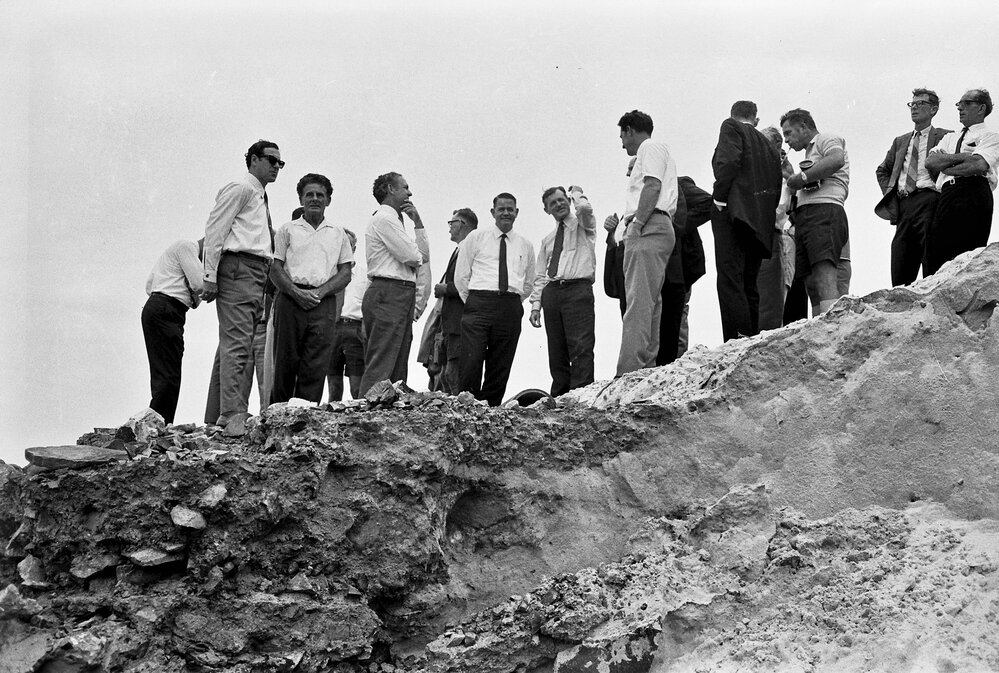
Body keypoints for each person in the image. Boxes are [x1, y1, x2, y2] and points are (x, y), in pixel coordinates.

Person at [201, 139, 283, 427]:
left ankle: (223, 413)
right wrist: (209, 276)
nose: (276, 167)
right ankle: (232, 413)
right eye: (271, 160)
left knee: (239, 341)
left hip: (255, 271)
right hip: (239, 266)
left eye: (279, 163)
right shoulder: (242, 188)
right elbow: (215, 229)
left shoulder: (258, 195)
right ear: (253, 160)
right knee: (237, 342)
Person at [269, 173, 353, 404]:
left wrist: (320, 292)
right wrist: (296, 293)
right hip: (290, 299)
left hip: (322, 302)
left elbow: (345, 272)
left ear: (328, 200)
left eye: (320, 195)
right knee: (285, 361)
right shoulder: (287, 230)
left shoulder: (338, 233)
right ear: (301, 199)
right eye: (309, 195)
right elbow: (275, 269)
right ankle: (278, 414)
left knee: (315, 365)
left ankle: (306, 419)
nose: (314, 199)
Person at [605, 110, 678, 375]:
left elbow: (652, 186)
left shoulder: (650, 146)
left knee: (638, 302)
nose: (622, 143)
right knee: (650, 303)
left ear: (629, 130)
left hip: (648, 226)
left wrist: (635, 226)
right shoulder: (651, 152)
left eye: (622, 136)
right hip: (656, 224)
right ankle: (646, 368)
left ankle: (627, 371)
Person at [454, 193, 535, 406]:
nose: (506, 213)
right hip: (479, 304)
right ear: (493, 212)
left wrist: (512, 301)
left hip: (509, 306)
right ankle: (467, 411)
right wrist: (474, 302)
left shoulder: (525, 245)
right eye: (501, 209)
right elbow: (461, 277)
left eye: (510, 209)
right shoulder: (476, 238)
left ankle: (491, 412)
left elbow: (528, 282)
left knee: (500, 365)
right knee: (471, 362)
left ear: (516, 213)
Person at [711, 101, 782, 341]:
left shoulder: (731, 127)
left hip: (733, 214)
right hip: (760, 221)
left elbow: (728, 162)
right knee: (750, 283)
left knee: (730, 279)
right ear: (756, 119)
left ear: (732, 114)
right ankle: (749, 336)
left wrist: (720, 199)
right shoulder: (770, 146)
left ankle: (735, 339)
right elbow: (777, 184)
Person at [358, 172, 429, 395]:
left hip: (400, 293)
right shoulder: (384, 218)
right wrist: (416, 253)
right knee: (383, 357)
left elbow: (422, 256)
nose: (410, 193)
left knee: (398, 359)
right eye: (405, 187)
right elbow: (413, 256)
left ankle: (390, 411)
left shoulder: (396, 221)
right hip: (389, 291)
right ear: (390, 189)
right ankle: (366, 412)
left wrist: (418, 223)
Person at [875, 88, 951, 286]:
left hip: (930, 198)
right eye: (912, 104)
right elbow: (882, 170)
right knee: (900, 262)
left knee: (931, 259)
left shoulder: (945, 136)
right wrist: (891, 193)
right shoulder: (901, 141)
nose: (914, 108)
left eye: (920, 104)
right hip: (904, 204)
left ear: (933, 110)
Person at [781, 109, 850, 315]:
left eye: (788, 133)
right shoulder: (810, 152)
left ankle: (833, 327)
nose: (787, 141)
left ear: (803, 127)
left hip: (824, 210)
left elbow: (836, 159)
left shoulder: (826, 138)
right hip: (807, 215)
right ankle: (820, 324)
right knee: (810, 279)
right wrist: (790, 177)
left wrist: (801, 178)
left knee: (823, 271)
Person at [529, 186, 596, 396]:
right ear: (547, 210)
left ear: (568, 200)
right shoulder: (547, 240)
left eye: (561, 200)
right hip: (552, 293)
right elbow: (541, 275)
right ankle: (559, 398)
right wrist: (535, 306)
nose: (558, 205)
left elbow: (584, 208)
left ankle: (581, 396)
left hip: (577, 289)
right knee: (556, 351)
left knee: (581, 347)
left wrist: (577, 193)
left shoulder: (583, 226)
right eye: (552, 203)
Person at [924, 89, 999, 276]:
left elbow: (979, 164)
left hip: (974, 192)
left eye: (966, 103)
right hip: (947, 195)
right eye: (959, 104)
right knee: (936, 254)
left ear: (981, 108)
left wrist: (947, 166)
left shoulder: (991, 137)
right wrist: (963, 157)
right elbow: (931, 162)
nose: (960, 108)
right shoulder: (949, 137)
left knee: (967, 256)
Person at [141, 238, 204, 424]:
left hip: (160, 307)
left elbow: (149, 284)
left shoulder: (176, 250)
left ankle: (159, 422)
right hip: (167, 308)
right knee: (169, 374)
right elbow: (200, 284)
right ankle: (159, 424)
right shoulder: (187, 247)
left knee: (166, 372)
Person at [433, 208, 478, 394]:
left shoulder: (472, 249)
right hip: (450, 323)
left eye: (452, 223)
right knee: (444, 374)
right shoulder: (459, 249)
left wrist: (446, 289)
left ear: (463, 224)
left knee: (454, 373)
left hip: (461, 321)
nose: (450, 228)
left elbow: (471, 283)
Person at [756, 127, 795, 330]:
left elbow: (780, 208)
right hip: (758, 237)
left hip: (772, 236)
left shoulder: (782, 175)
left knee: (770, 301)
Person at [327, 229, 366, 402]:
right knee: (333, 386)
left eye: (348, 245)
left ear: (354, 248)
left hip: (355, 328)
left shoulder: (366, 274)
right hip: (332, 329)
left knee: (357, 386)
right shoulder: (328, 275)